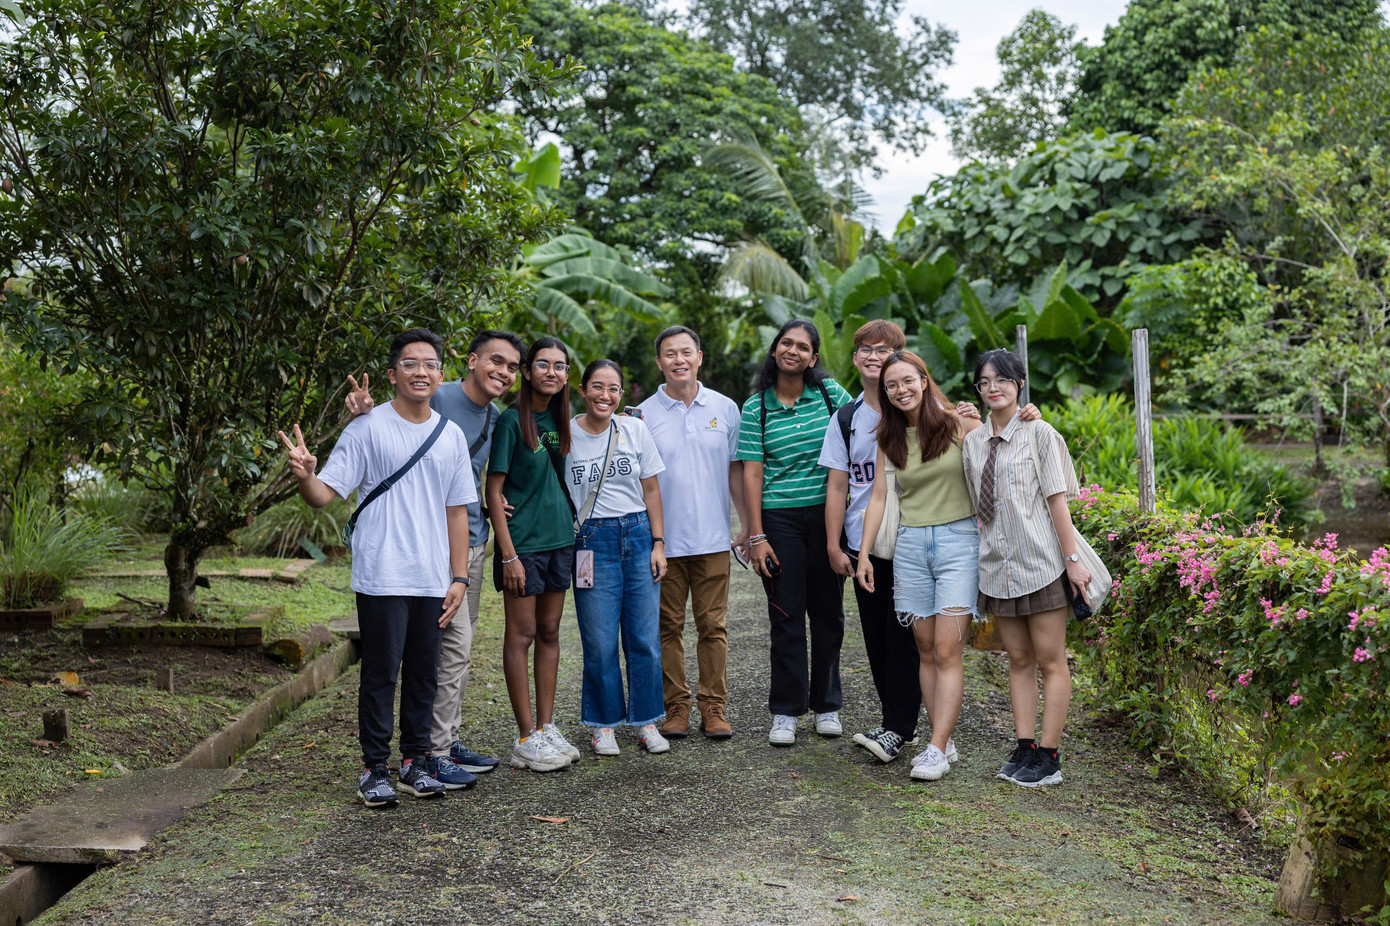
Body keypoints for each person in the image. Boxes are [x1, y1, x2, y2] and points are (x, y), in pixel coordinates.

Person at [281, 328, 473, 807]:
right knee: (382, 674)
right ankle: (373, 768)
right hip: (383, 573)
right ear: (393, 374)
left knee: (425, 673)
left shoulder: (449, 436)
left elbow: (457, 512)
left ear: (441, 373)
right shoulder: (366, 428)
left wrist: (459, 576)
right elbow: (325, 495)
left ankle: (414, 761)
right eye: (410, 363)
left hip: (432, 577)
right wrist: (305, 476)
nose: (421, 371)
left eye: (429, 364)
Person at [345, 330, 525, 788]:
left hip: (468, 541)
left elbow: (472, 477)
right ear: (469, 361)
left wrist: (492, 504)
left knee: (449, 655)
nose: (503, 372)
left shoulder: (496, 415)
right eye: (495, 361)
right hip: (420, 549)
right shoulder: (436, 393)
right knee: (444, 649)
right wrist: (365, 410)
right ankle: (429, 751)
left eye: (511, 367)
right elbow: (394, 423)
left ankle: (439, 740)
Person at [962, 348, 1088, 788]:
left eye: (1002, 379)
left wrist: (1072, 562)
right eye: (985, 381)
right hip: (997, 566)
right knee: (1017, 658)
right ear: (977, 389)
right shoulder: (973, 443)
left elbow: (1057, 501)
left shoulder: (1040, 434)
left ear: (1019, 385)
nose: (993, 387)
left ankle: (1049, 756)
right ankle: (1024, 746)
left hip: (1041, 563)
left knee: (1051, 660)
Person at [856, 350, 983, 783]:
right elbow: (878, 498)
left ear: (924, 380)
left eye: (908, 381)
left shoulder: (960, 424)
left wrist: (1022, 413)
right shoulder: (888, 436)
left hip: (959, 543)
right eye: (892, 385)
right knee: (926, 650)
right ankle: (941, 740)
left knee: (948, 649)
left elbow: (1003, 453)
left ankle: (934, 748)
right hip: (911, 545)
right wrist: (863, 555)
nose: (901, 390)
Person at [737, 319, 853, 747]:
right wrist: (756, 535)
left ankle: (827, 706)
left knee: (828, 614)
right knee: (785, 615)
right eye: (786, 343)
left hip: (827, 515)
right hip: (779, 518)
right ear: (774, 350)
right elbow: (753, 473)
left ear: (814, 358)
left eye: (803, 347)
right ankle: (786, 711)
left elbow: (875, 415)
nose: (793, 351)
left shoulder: (830, 395)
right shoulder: (756, 408)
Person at [638, 325, 747, 739]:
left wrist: (748, 527)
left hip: (713, 539)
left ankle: (713, 706)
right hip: (662, 543)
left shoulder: (725, 408)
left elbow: (736, 472)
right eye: (670, 354)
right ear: (659, 362)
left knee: (713, 627)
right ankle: (676, 707)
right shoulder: (642, 416)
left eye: (686, 352)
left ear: (700, 357)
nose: (678, 360)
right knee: (666, 628)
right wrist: (652, 540)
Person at [486, 337, 582, 772]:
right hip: (522, 545)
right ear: (526, 371)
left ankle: (546, 727)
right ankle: (525, 737)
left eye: (560, 367)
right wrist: (508, 555)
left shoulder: (561, 421)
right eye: (542, 364)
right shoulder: (510, 421)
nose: (551, 372)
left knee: (549, 632)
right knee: (520, 636)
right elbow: (494, 490)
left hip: (560, 540)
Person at [567, 359, 670, 756]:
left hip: (638, 534)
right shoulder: (566, 435)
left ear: (621, 394)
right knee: (599, 640)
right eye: (597, 387)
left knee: (644, 638)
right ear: (582, 389)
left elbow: (652, 489)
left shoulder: (634, 429)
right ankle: (603, 724)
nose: (604, 396)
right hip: (591, 542)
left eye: (613, 389)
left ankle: (645, 721)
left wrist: (658, 543)